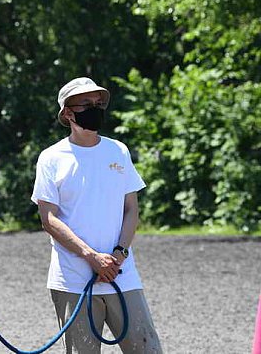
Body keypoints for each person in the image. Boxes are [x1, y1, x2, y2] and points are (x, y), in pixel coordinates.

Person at [31, 77, 162, 353]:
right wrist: (91, 257)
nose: (95, 108)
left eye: (98, 103)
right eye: (86, 104)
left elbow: (131, 209)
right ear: (68, 113)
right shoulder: (51, 158)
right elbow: (49, 219)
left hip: (121, 274)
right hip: (74, 280)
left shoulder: (118, 150)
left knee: (148, 348)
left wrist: (118, 254)